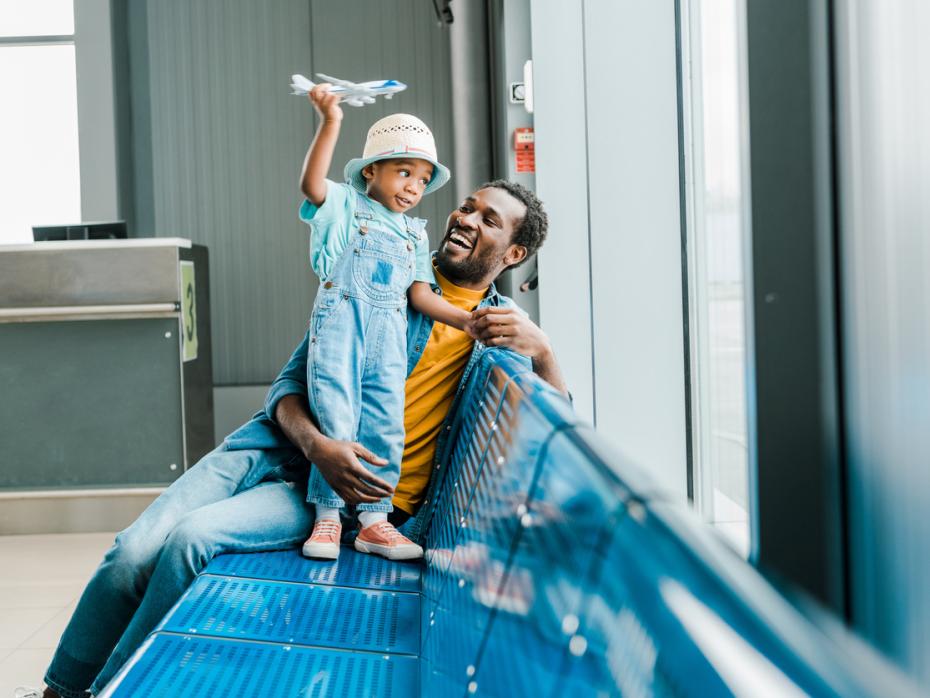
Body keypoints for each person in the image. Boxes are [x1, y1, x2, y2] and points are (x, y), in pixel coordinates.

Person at [28, 180, 565, 698]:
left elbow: (554, 435)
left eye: (488, 220)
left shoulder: (502, 331)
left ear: (514, 254)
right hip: (278, 450)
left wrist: (544, 353)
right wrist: (318, 447)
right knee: (130, 552)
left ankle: (109, 688)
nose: (465, 219)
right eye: (468, 207)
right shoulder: (380, 269)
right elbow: (288, 386)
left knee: (192, 540)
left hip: (352, 504)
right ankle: (62, 689)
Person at [297, 84, 475, 562]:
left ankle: (374, 520)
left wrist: (466, 320)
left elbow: (419, 294)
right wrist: (331, 121)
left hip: (390, 340)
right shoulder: (345, 208)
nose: (413, 187)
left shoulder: (414, 233)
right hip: (341, 329)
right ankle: (329, 518)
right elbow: (312, 186)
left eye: (421, 179)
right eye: (403, 172)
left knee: (384, 422)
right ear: (371, 171)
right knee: (336, 415)